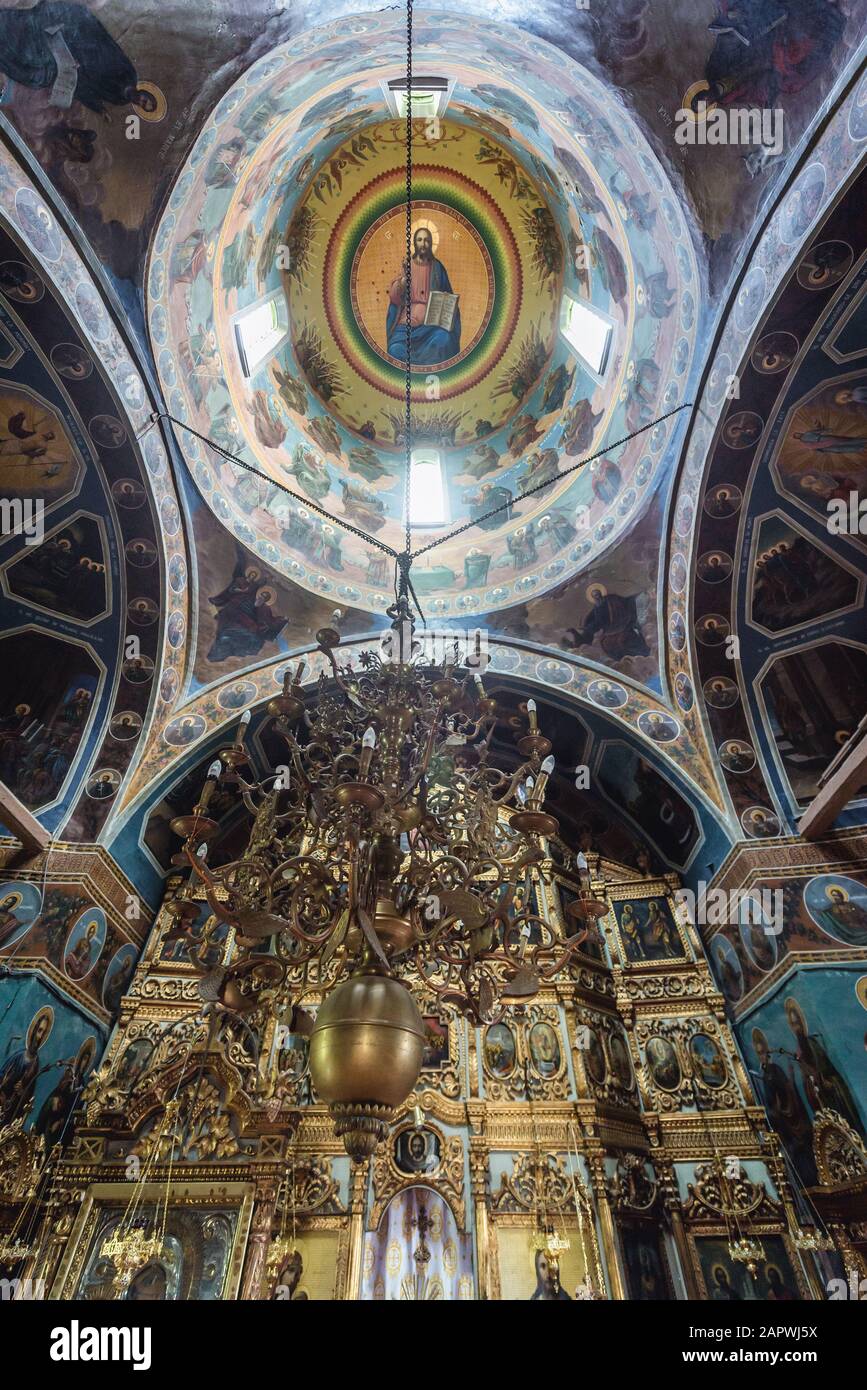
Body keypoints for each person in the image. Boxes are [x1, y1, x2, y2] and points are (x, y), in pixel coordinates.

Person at [386, 227, 460, 364]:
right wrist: (403, 282)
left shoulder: (437, 267)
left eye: (427, 240)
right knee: (395, 349)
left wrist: (445, 301)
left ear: (431, 243)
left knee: (444, 340)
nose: (423, 243)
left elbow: (449, 297)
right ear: (415, 243)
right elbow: (394, 298)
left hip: (432, 326)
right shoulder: (406, 266)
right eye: (419, 240)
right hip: (406, 326)